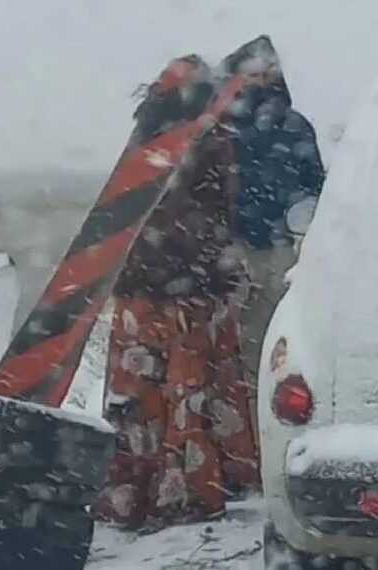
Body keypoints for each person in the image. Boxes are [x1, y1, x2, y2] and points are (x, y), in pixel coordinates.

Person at [93, 97, 260, 530]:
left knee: (136, 396)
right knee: (190, 392)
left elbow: (124, 212)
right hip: (193, 288)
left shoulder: (144, 142)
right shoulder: (212, 139)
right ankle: (186, 488)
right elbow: (223, 206)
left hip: (140, 289)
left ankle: (131, 490)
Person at [222, 46, 326, 385]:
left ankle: (262, 400)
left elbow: (313, 188)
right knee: (227, 337)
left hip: (280, 246)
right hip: (229, 247)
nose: (259, 82)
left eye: (266, 74)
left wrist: (300, 233)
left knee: (275, 331)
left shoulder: (295, 127)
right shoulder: (219, 128)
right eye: (251, 74)